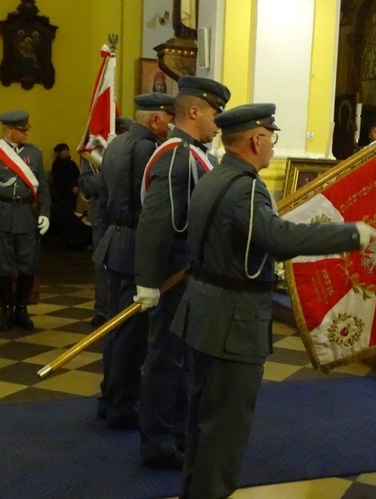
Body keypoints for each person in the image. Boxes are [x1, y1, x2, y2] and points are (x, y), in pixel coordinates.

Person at [170, 103, 376, 498]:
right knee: (225, 431)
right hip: (231, 323)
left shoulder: (216, 175)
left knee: (204, 421)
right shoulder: (244, 187)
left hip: (206, 314)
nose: (271, 145)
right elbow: (280, 240)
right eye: (271, 137)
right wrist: (351, 234)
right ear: (256, 139)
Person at [134, 76, 231, 469]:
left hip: (187, 276)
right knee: (164, 361)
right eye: (215, 112)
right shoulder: (177, 156)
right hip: (172, 278)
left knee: (179, 362)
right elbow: (157, 222)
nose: (218, 121)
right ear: (194, 112)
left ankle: (175, 433)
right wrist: (147, 281)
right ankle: (157, 444)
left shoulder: (194, 153)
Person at [92, 94, 176, 430]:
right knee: (130, 333)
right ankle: (121, 404)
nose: (172, 125)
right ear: (155, 119)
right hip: (135, 245)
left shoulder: (116, 144)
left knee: (116, 328)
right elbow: (147, 207)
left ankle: (109, 396)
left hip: (115, 241)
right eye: (170, 118)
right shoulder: (147, 149)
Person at [0, 110, 50, 331]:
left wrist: (45, 212)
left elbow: (43, 187)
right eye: (21, 130)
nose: (26, 133)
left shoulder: (35, 153)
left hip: (27, 215)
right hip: (1, 214)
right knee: (2, 266)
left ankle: (21, 310)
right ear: (8, 131)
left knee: (28, 265)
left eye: (26, 129)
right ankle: (6, 310)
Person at [79, 117, 135, 327]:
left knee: (125, 265)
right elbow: (86, 183)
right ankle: (102, 310)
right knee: (101, 265)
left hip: (126, 217)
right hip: (102, 215)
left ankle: (123, 308)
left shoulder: (133, 154)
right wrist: (110, 172)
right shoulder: (92, 155)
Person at [50, 143, 80, 212]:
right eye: (64, 150)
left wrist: (77, 186)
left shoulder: (72, 163)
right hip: (63, 193)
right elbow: (60, 179)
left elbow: (78, 175)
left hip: (75, 191)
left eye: (67, 150)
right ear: (58, 153)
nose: (67, 152)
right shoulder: (56, 165)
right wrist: (72, 187)